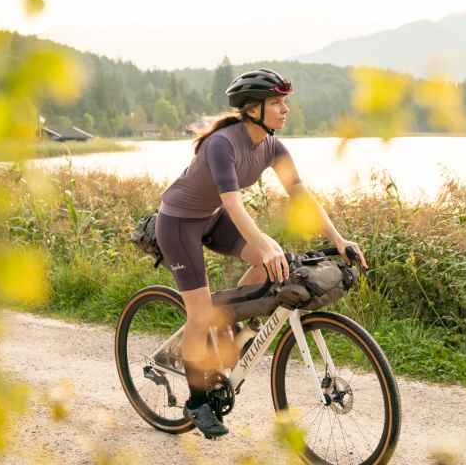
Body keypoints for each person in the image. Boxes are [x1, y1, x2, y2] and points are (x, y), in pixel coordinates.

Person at [155, 67, 368, 439]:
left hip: (212, 218)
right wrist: (265, 243)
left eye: (285, 102)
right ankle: (198, 401)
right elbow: (234, 204)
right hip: (178, 223)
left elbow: (301, 195)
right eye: (276, 102)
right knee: (201, 313)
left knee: (272, 268)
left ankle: (227, 332)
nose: (285, 109)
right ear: (253, 109)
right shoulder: (222, 143)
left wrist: (338, 240)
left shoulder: (273, 145)